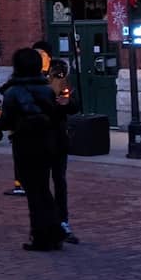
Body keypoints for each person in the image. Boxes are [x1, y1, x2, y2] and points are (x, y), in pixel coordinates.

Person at [0, 46, 63, 251]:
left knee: (34, 192)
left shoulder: (13, 91)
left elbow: (6, 121)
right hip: (46, 143)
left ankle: (41, 235)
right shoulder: (46, 89)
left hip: (25, 143)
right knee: (44, 188)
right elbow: (54, 116)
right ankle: (54, 231)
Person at [47, 61, 80, 244]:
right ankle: (49, 221)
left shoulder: (67, 84)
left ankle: (62, 221)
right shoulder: (41, 85)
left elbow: (75, 105)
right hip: (44, 137)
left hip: (59, 139)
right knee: (44, 183)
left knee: (59, 181)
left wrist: (67, 103)